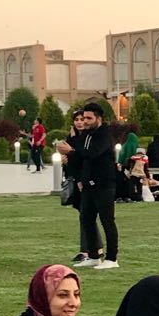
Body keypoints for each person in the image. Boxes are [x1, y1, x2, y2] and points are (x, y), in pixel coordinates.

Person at [57, 102, 120, 270]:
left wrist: (70, 151)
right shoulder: (86, 135)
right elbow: (81, 157)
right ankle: (93, 255)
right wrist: (68, 156)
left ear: (98, 118)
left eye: (88, 118)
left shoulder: (104, 135)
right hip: (88, 185)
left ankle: (112, 258)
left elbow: (93, 154)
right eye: (83, 118)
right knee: (87, 219)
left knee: (107, 221)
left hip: (103, 184)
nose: (85, 121)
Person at [63, 110, 102, 265]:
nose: (79, 122)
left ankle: (90, 251)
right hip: (75, 180)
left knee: (87, 216)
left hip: (87, 181)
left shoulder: (87, 138)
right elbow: (72, 161)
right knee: (85, 216)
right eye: (77, 119)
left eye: (82, 119)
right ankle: (90, 249)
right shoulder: (72, 139)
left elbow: (84, 159)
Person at [115, 131, 139, 201]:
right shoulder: (136, 146)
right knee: (131, 182)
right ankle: (131, 195)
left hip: (125, 167)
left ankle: (122, 195)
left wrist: (120, 163)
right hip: (135, 167)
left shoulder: (125, 145)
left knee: (123, 181)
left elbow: (121, 156)